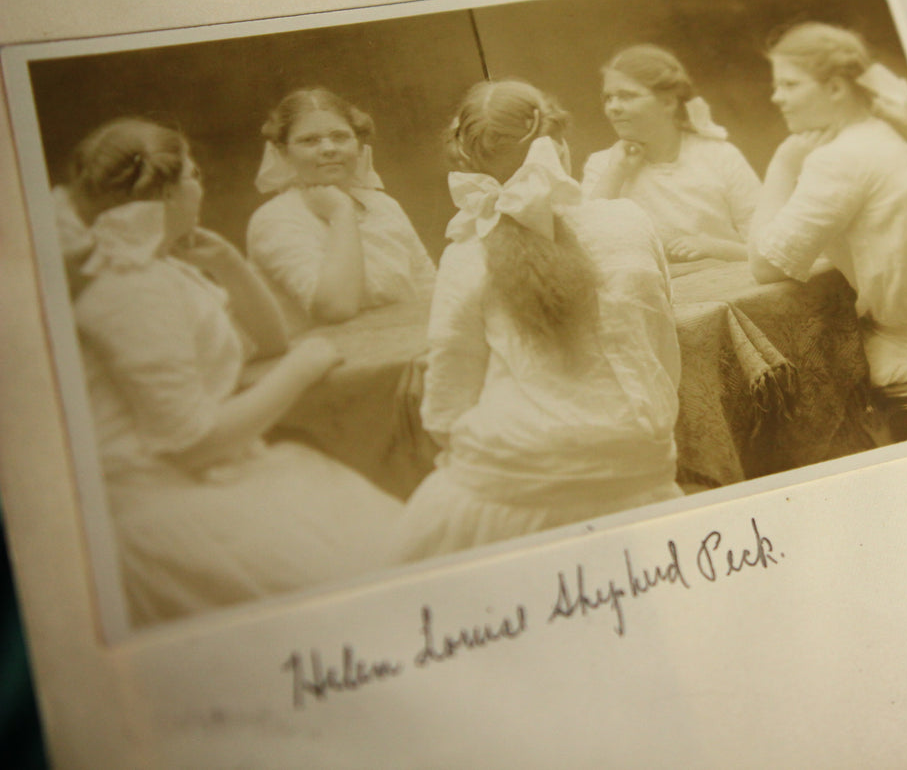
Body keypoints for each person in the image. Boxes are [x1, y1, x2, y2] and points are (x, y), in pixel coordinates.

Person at [62, 117, 401, 627]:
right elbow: (192, 442)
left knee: (390, 544)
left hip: (212, 473)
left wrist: (229, 265)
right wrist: (301, 370)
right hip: (170, 504)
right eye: (193, 176)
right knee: (372, 577)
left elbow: (270, 342)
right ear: (170, 192)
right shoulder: (134, 289)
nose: (199, 188)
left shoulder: (159, 269)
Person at [391, 80, 683, 559]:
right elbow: (660, 351)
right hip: (639, 463)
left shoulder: (467, 252)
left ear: (468, 163)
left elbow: (445, 407)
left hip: (517, 476)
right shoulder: (630, 220)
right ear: (560, 146)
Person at [748, 22, 907, 438]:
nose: (777, 97)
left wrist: (782, 163)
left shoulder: (839, 159)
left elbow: (764, 266)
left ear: (836, 88)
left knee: (800, 384)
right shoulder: (889, 131)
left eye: (790, 85)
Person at [246, 87, 435, 329]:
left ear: (359, 145)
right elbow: (335, 308)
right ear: (284, 152)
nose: (329, 149)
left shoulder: (383, 206)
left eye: (340, 137)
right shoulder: (275, 219)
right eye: (309, 140)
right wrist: (341, 213)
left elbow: (429, 289)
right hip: (327, 351)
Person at [582, 44, 760, 264]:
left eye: (626, 96)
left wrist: (714, 247)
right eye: (608, 98)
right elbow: (586, 246)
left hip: (728, 278)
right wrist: (616, 172)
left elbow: (764, 249)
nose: (612, 107)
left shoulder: (720, 156)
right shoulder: (603, 165)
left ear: (668, 102)